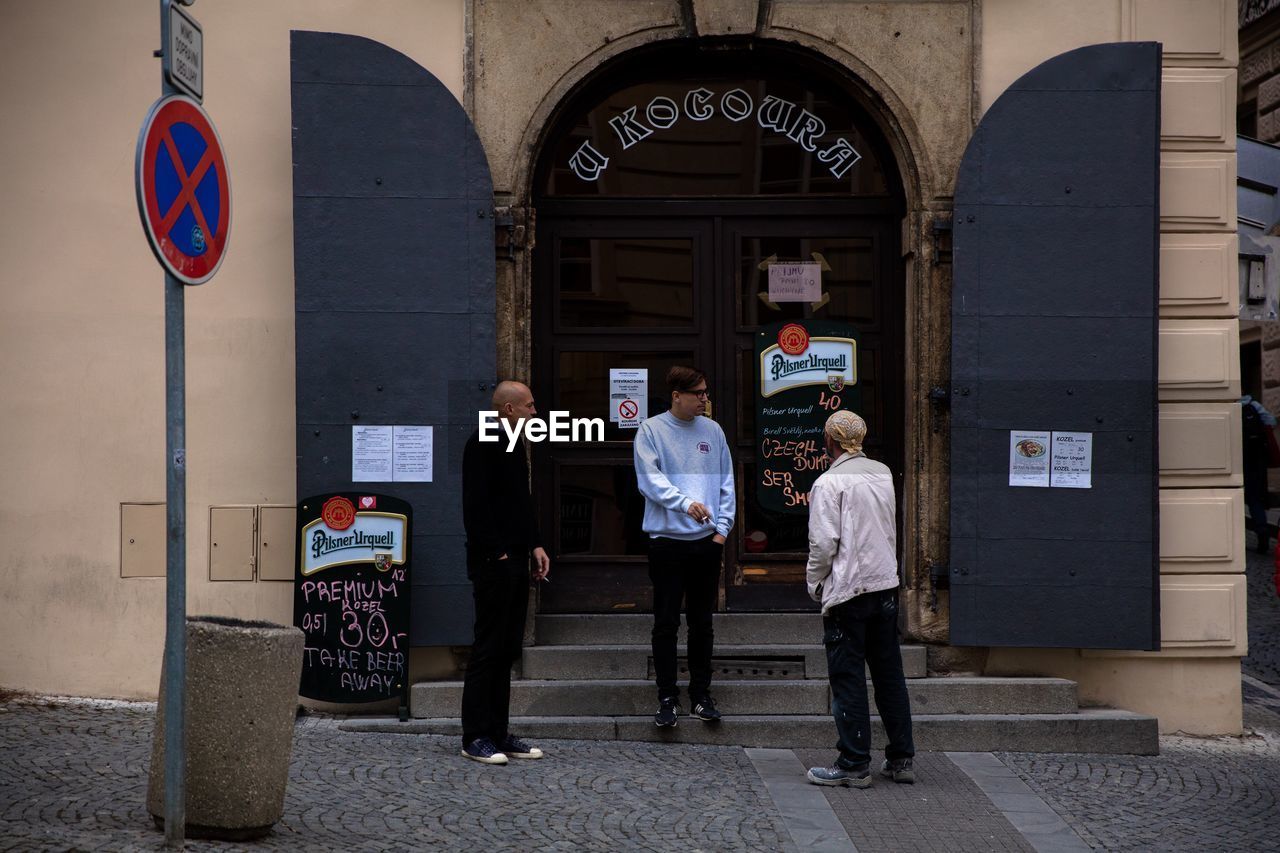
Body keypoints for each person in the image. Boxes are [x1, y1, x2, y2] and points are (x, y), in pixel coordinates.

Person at [804, 410, 915, 788]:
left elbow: (823, 543)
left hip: (849, 589)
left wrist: (814, 583)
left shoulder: (828, 482)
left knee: (848, 677)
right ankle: (901, 759)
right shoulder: (882, 473)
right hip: (884, 584)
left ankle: (853, 763)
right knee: (889, 676)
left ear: (830, 442)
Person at [633, 366, 735, 727]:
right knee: (665, 623)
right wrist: (684, 503)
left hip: (706, 544)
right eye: (699, 393)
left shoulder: (713, 431)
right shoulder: (651, 430)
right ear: (677, 395)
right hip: (666, 543)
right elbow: (649, 481)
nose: (705, 399)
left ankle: (701, 695)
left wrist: (721, 533)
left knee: (702, 623)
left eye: (706, 393)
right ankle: (666, 697)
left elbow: (727, 484)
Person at [460, 380, 552, 765]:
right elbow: (475, 504)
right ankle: (475, 736)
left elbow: (520, 502)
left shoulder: (515, 444)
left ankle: (498, 732)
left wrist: (535, 545)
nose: (535, 412)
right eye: (529, 406)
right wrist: (496, 552)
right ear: (510, 409)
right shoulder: (482, 441)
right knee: (488, 647)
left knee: (507, 648)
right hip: (493, 562)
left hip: (516, 558)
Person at [1240, 395, 1276, 554]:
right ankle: (1262, 533)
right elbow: (1271, 422)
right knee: (1255, 499)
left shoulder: (1225, 405)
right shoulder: (1253, 404)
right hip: (1256, 461)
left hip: (1235, 459)